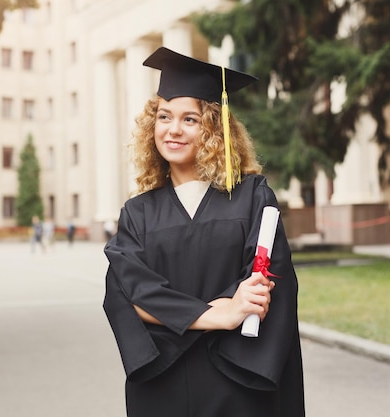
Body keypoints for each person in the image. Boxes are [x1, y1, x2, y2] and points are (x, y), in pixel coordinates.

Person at [103, 47, 304, 417]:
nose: (173, 129)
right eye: (164, 116)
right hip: (162, 386)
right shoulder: (138, 213)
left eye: (190, 119)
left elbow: (268, 283)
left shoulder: (252, 198)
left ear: (214, 129)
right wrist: (220, 315)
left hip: (237, 378)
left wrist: (173, 316)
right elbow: (128, 295)